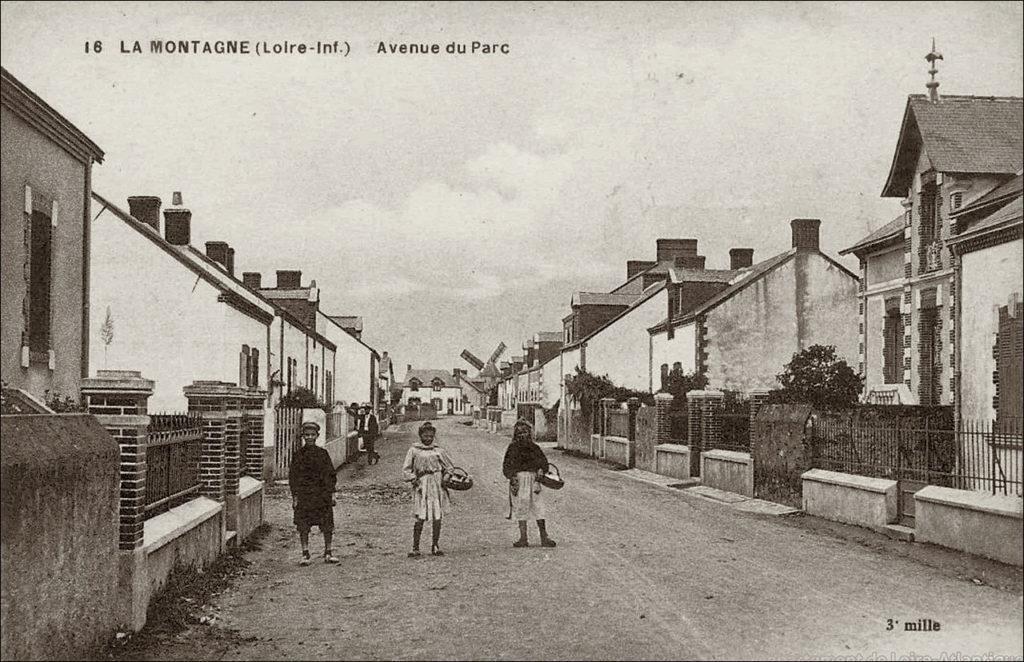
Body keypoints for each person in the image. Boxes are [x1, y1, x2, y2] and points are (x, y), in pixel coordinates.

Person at [288, 421, 339, 565]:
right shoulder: (298, 455)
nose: (309, 437)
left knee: (327, 524)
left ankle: (328, 552)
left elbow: (330, 475)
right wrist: (295, 497)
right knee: (303, 525)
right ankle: (305, 553)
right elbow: (293, 477)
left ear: (317, 436)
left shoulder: (323, 454)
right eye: (307, 435)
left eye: (312, 435)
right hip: (305, 495)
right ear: (303, 436)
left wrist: (332, 494)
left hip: (322, 495)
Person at [401, 421, 455, 557]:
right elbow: (406, 469)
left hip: (436, 485)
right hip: (421, 484)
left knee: (437, 516)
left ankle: (435, 545)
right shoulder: (414, 450)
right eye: (425, 436)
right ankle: (415, 547)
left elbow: (449, 467)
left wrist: (446, 477)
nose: (428, 439)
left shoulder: (438, 451)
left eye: (431, 436)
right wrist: (414, 479)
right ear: (420, 436)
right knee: (420, 515)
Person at [502, 418, 556, 548]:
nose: (522, 435)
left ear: (529, 433)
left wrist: (541, 471)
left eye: (525, 432)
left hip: (534, 481)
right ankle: (523, 538)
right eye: (519, 432)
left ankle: (544, 537)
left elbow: (544, 463)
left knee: (538, 507)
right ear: (515, 434)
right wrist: (512, 476)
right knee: (521, 507)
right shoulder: (512, 448)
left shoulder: (535, 448)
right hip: (519, 481)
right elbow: (506, 466)